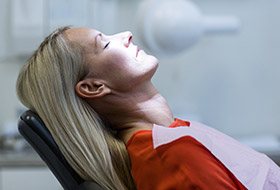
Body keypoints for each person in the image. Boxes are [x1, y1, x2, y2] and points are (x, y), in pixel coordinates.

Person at [16, 27, 280, 190]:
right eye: (105, 43)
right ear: (94, 87)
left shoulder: (169, 140)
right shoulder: (171, 157)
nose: (126, 34)